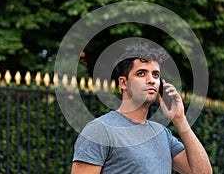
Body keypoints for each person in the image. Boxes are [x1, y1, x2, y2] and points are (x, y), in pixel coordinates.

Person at [71, 43, 212, 174]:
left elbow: (203, 172)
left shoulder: (163, 134)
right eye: (141, 73)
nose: (151, 80)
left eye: (155, 75)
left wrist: (179, 118)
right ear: (123, 83)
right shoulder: (99, 130)